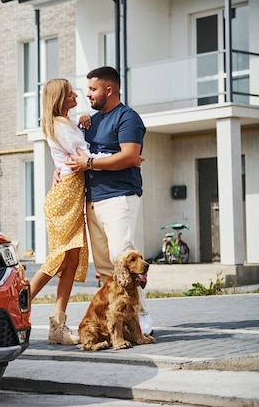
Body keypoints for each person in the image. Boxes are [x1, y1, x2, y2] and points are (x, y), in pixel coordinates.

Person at [65, 66, 152, 335]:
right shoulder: (92, 121)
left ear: (109, 90)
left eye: (93, 89)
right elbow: (77, 152)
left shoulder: (128, 118)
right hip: (93, 201)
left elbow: (128, 156)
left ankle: (142, 316)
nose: (88, 94)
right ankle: (119, 320)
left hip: (119, 198)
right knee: (105, 267)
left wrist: (90, 162)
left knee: (122, 256)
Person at [29, 78, 109, 345]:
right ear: (60, 99)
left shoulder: (66, 123)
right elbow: (82, 154)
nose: (77, 95)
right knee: (59, 260)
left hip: (71, 198)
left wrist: (85, 119)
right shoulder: (60, 126)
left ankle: (58, 327)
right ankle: (15, 306)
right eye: (71, 93)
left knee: (72, 262)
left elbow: (78, 147)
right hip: (65, 199)